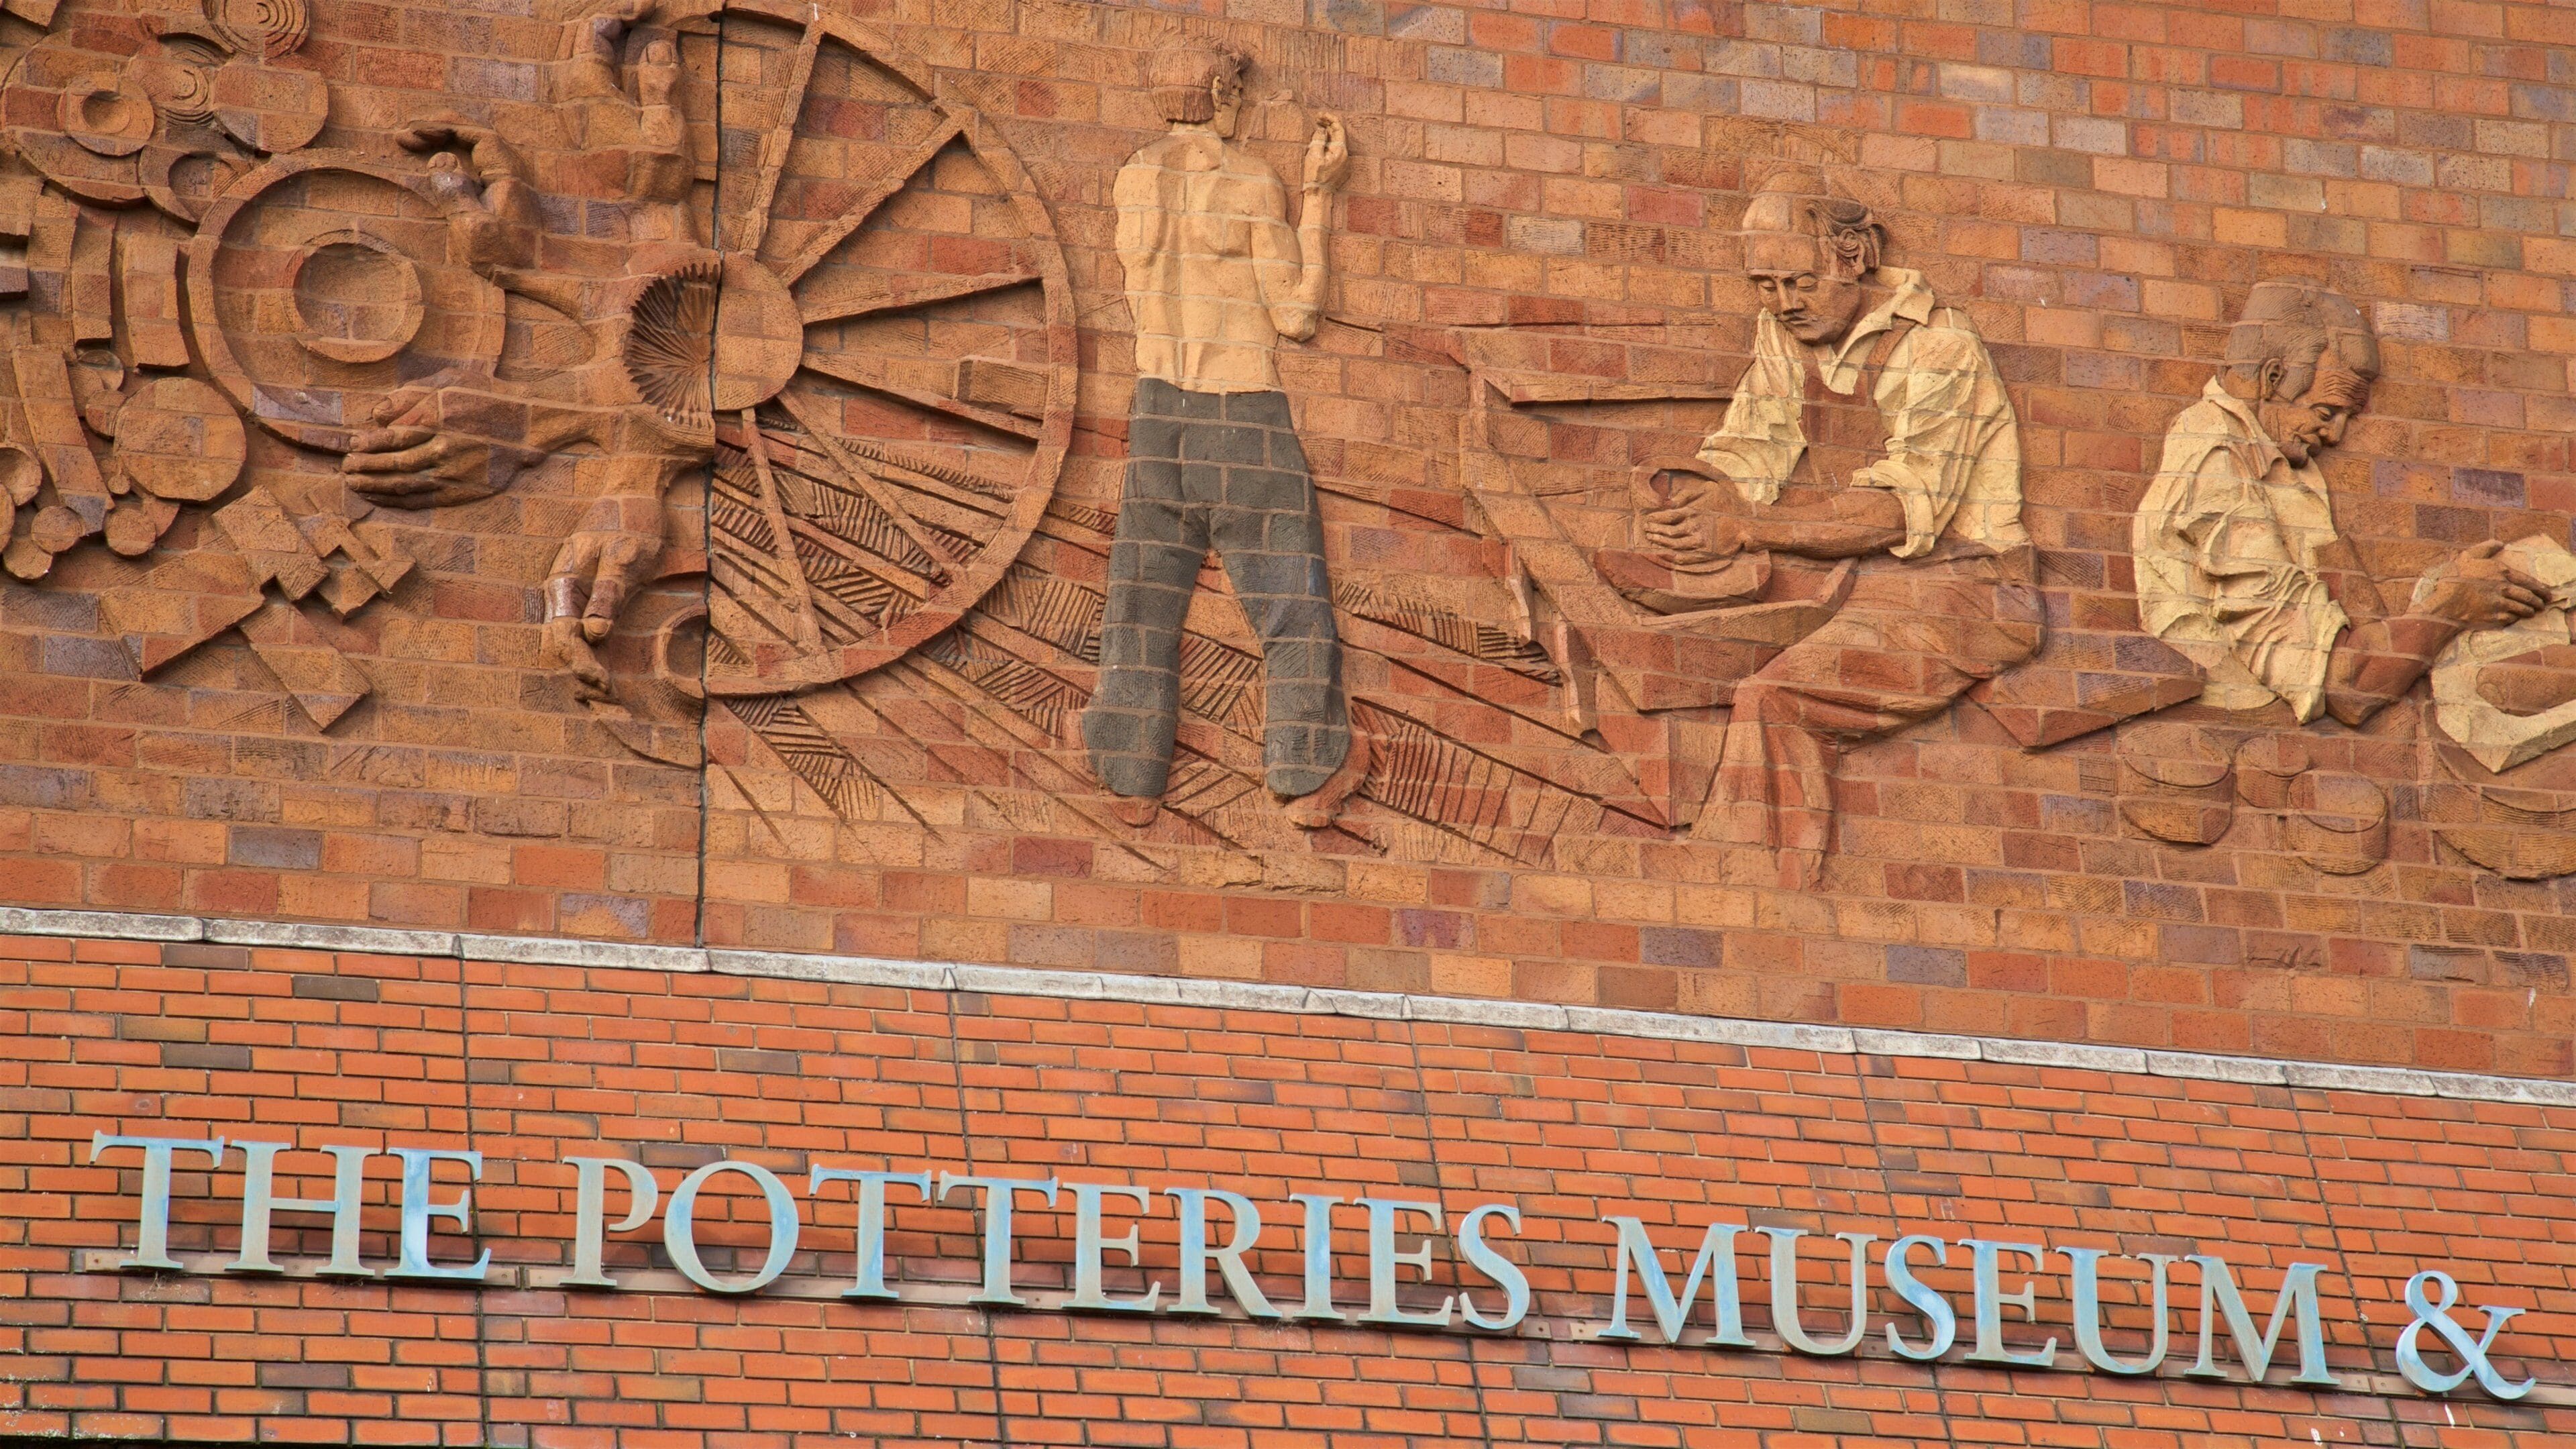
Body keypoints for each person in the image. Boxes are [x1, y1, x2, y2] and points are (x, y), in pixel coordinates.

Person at [1634, 168, 2039, 888]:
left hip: (1965, 592)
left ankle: (1754, 890)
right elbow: (1754, 442)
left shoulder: (1940, 350)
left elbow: (1898, 510)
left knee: (1775, 698)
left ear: (1853, 257)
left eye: (1799, 283)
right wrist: (1696, 495)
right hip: (1851, 574)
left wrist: (1748, 530)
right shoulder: (1786, 333)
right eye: (1765, 285)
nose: (1783, 303)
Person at [1080, 48, 1352, 821]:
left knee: (1142, 605)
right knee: (1291, 606)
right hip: (1245, 416)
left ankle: (1128, 777)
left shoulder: (1135, 176)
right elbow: (1298, 315)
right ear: (1223, 94)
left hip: (1159, 410)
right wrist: (1319, 196)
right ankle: (1304, 774)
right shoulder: (1249, 180)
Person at [2133, 282, 2546, 727]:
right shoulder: (2215, 465)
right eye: (2327, 412)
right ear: (2273, 379)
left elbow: (2356, 617)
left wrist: (2439, 595)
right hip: (2245, 733)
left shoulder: (2284, 457)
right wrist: (2451, 610)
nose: (2336, 436)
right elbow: (2343, 687)